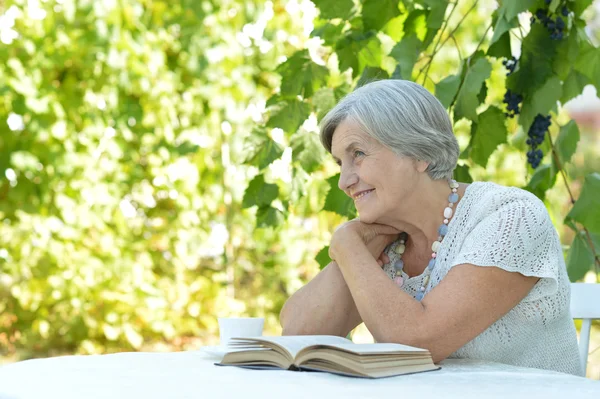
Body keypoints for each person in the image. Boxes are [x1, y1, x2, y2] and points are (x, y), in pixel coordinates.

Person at [279, 79, 583, 376]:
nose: (344, 181)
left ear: (419, 153)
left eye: (357, 154)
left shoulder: (511, 217)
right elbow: (298, 334)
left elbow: (416, 343)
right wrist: (352, 244)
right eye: (339, 164)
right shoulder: (386, 241)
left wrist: (346, 245)